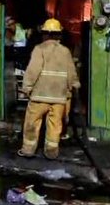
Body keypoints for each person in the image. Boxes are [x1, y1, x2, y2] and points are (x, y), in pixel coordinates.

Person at [19, 18, 80, 160]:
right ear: (59, 35)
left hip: (40, 95)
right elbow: (71, 72)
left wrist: (27, 87)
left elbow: (33, 70)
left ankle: (28, 149)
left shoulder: (39, 49)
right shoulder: (65, 51)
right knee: (55, 125)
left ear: (44, 34)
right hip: (59, 96)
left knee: (32, 122)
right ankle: (51, 151)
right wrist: (74, 85)